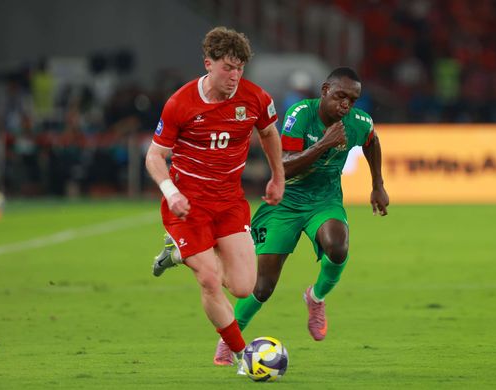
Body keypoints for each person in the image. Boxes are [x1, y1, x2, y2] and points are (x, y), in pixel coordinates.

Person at [219, 67, 389, 363]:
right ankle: (229, 339)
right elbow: (283, 167)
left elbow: (372, 142)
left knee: (338, 246)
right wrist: (324, 143)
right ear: (325, 91)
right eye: (340, 96)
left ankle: (316, 298)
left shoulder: (359, 122)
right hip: (286, 200)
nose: (346, 104)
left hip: (325, 200)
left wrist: (378, 185)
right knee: (262, 287)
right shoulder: (300, 114)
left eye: (352, 99)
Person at [145, 26, 284, 373]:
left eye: (240, 68)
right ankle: (243, 356)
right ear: (208, 64)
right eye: (227, 68)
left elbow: (269, 133)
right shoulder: (180, 103)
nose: (235, 76)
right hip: (187, 206)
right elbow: (153, 156)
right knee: (208, 278)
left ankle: (178, 253)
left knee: (243, 287)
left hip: (230, 203)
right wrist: (171, 192)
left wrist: (277, 178)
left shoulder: (255, 98)